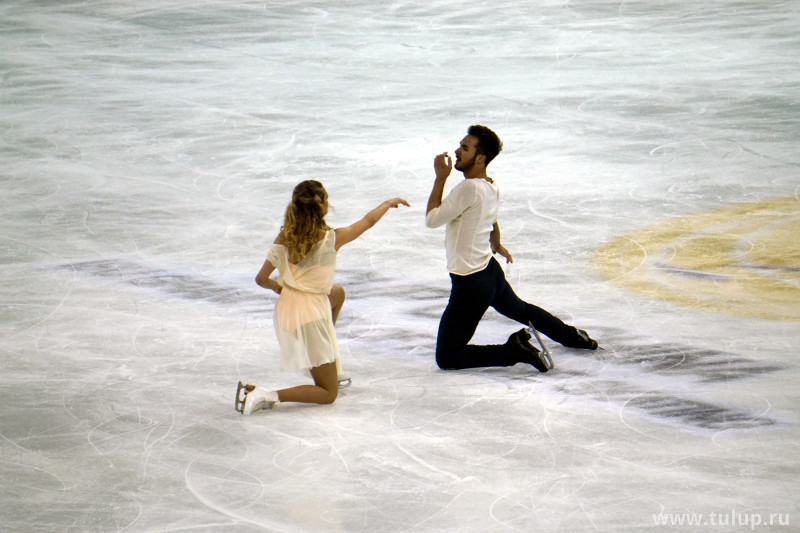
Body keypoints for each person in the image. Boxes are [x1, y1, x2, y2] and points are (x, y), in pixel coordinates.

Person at [425, 125, 598, 372]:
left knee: (448, 357)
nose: (457, 151)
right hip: (489, 272)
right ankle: (573, 337)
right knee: (522, 310)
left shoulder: (468, 188)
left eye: (464, 148)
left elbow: (432, 219)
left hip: (471, 283)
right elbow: (491, 218)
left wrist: (440, 178)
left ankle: (513, 350)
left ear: (480, 158)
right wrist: (496, 244)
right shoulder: (489, 185)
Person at [236, 180, 409, 414]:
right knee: (328, 393)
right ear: (322, 206)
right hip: (310, 315)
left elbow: (261, 279)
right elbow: (368, 221)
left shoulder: (285, 236)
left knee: (337, 293)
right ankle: (265, 394)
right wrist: (387, 203)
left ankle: (324, 353)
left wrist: (279, 288)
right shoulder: (332, 239)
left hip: (288, 310)